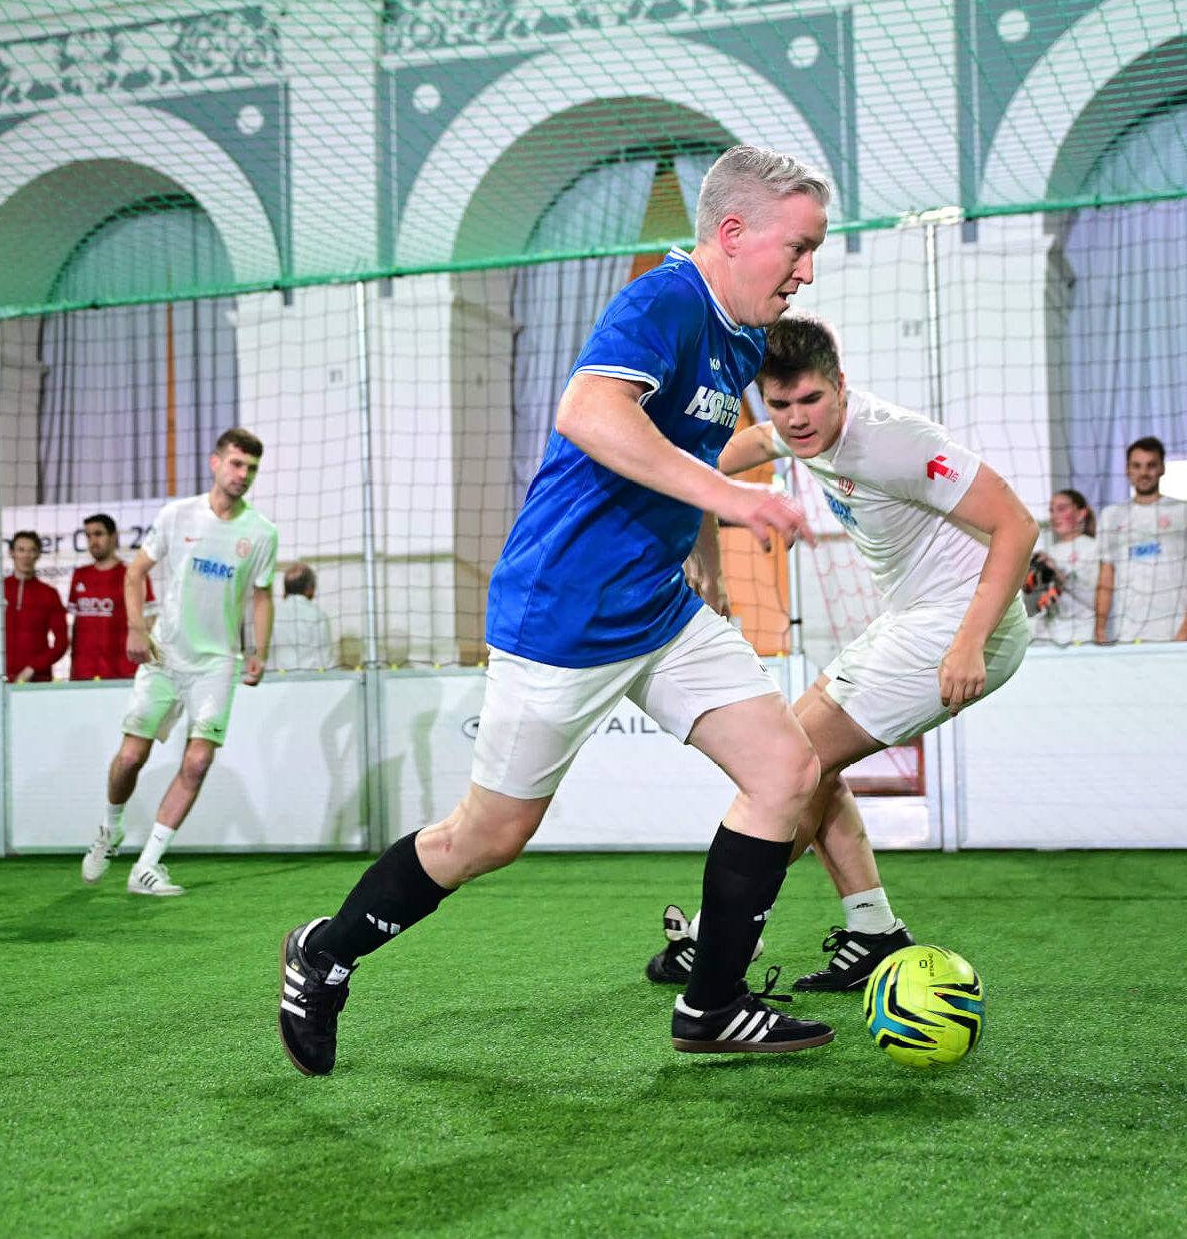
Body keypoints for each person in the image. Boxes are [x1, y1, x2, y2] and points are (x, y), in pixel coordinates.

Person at [277, 145, 836, 1077]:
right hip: (563, 619)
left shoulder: (742, 334)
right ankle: (324, 955)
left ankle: (711, 1006)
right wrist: (732, 498)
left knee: (788, 769)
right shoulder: (665, 302)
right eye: (800, 248)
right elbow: (587, 412)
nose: (807, 272)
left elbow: (687, 452)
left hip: (659, 608)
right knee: (488, 837)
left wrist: (733, 503)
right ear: (735, 233)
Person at [643, 309, 1037, 993]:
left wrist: (970, 643)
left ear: (841, 386)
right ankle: (873, 930)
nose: (798, 419)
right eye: (781, 404)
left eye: (811, 399)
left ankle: (715, 942)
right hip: (915, 618)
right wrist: (710, 559)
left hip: (961, 622)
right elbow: (701, 467)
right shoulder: (792, 430)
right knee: (804, 762)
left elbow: (1018, 525)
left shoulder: (897, 442)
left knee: (786, 763)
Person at [79, 429, 277, 896]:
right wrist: (134, 628)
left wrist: (259, 651)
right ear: (215, 463)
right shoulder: (177, 514)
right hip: (164, 654)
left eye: (251, 468)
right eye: (236, 464)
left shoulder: (262, 532)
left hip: (218, 663)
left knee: (198, 761)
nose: (243, 474)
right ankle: (110, 828)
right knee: (131, 757)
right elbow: (134, 573)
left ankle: (147, 865)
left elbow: (262, 596)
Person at [1094, 437, 1187, 643]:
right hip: (1127, 633)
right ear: (1127, 470)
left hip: (1174, 630)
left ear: (1162, 469)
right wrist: (1100, 628)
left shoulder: (1186, 511)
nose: (1144, 473)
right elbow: (1106, 578)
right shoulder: (1111, 516)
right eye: (1137, 466)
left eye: (1151, 465)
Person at [0, 530, 68, 684]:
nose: (26, 556)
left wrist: (33, 668)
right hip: (2, 682)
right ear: (11, 553)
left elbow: (62, 643)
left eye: (32, 550)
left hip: (38, 681)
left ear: (38, 555)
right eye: (21, 550)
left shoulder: (49, 594)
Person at [68, 513, 152, 680]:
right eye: (88, 536)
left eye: (98, 534)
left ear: (113, 536)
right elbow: (76, 626)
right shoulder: (80, 575)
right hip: (83, 674)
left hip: (123, 672)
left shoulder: (133, 575)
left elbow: (150, 621)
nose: (93, 541)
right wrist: (73, 667)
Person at [1029, 489, 1099, 646]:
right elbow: (1040, 604)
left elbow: (1098, 601)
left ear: (1081, 514)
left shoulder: (1094, 547)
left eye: (1061, 509)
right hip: (1051, 637)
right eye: (1051, 510)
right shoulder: (1048, 552)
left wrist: (1060, 574)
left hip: (1083, 636)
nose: (1054, 517)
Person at [264, 562, 336, 671]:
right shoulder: (318, 616)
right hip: (309, 679)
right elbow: (326, 661)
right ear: (309, 588)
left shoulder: (270, 615)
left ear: (285, 589)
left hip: (274, 678)